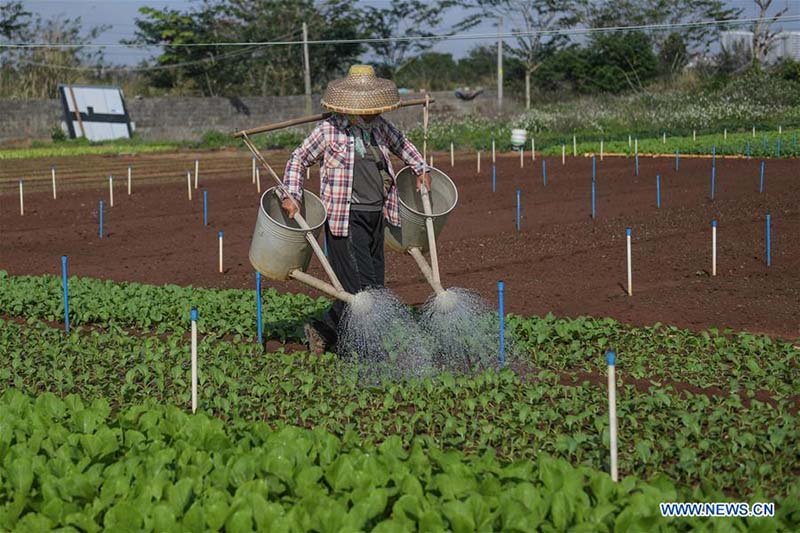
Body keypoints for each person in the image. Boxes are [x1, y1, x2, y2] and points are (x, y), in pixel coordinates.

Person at [281, 64, 430, 354]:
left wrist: (420, 167)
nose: (375, 112)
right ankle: (361, 350)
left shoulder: (380, 128)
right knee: (362, 287)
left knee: (371, 284)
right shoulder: (329, 130)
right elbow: (298, 158)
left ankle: (324, 330)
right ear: (353, 106)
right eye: (370, 108)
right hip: (344, 218)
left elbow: (403, 144)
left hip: (377, 215)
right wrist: (292, 194)